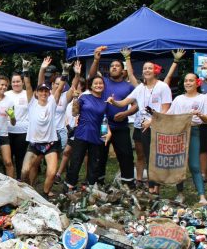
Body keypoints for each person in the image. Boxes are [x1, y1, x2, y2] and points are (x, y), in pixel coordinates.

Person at [109, 53, 174, 194]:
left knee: (154, 157)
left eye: (150, 68)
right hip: (142, 126)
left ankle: (155, 187)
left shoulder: (163, 87)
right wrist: (114, 101)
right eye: (145, 68)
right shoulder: (140, 88)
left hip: (156, 126)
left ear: (155, 70)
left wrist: (152, 121)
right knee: (144, 155)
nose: (147, 70)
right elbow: (124, 102)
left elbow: (166, 109)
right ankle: (147, 184)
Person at [88, 46, 137, 187]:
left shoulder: (128, 87)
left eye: (117, 66)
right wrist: (96, 59)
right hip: (103, 126)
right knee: (100, 155)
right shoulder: (103, 82)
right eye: (112, 66)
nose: (114, 67)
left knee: (126, 155)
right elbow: (91, 76)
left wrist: (126, 113)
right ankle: (99, 182)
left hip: (121, 127)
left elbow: (136, 105)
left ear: (123, 70)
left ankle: (128, 183)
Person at [23, 57, 68, 197]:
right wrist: (25, 70)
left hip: (50, 143)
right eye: (40, 91)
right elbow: (28, 85)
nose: (43, 93)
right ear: (37, 93)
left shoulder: (52, 104)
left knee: (52, 172)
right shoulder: (32, 103)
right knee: (24, 171)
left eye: (45, 92)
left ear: (49, 94)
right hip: (34, 143)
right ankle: (28, 192)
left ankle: (44, 194)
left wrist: (65, 71)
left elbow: (60, 88)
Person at [168, 72, 207, 205]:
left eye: (191, 81)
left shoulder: (203, 98)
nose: (187, 83)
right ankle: (180, 193)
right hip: (178, 132)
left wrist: (199, 114)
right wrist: (153, 118)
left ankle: (202, 196)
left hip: (194, 130)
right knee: (179, 164)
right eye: (186, 81)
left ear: (197, 83)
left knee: (194, 164)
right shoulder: (178, 99)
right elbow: (168, 116)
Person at [66, 72, 109, 191]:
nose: (98, 85)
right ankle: (70, 185)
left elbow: (104, 120)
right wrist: (75, 97)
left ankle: (90, 186)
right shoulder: (84, 97)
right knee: (76, 160)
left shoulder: (105, 101)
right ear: (91, 86)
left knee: (94, 163)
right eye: (96, 83)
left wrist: (105, 133)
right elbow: (75, 113)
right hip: (82, 134)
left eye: (101, 83)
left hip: (96, 136)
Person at [0, 75, 17, 178]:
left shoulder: (9, 101)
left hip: (3, 134)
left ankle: (11, 184)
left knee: (8, 162)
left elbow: (13, 122)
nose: (4, 87)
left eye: (6, 85)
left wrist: (12, 116)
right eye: (1, 85)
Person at [6, 71, 33, 179]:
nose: (16, 84)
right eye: (13, 82)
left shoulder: (27, 93)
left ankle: (20, 179)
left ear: (22, 82)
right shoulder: (6, 94)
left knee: (20, 157)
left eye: (18, 81)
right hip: (7, 130)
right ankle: (8, 179)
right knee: (8, 158)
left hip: (23, 131)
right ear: (10, 83)